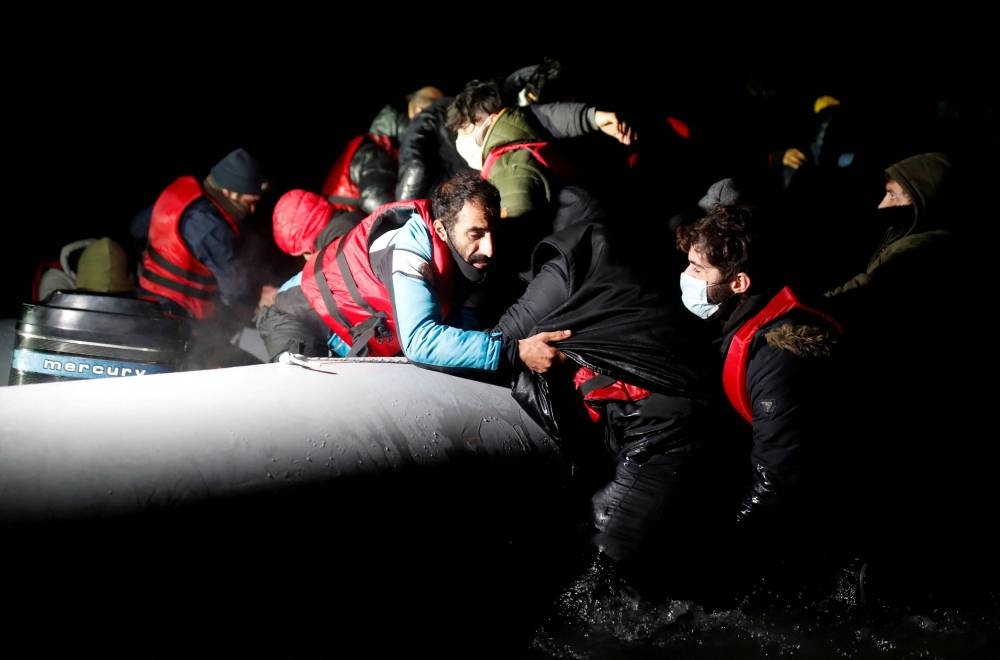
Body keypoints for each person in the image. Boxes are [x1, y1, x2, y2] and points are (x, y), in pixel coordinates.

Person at [492, 217, 725, 599]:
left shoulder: (568, 270)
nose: (486, 249)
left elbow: (501, 339)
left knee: (606, 563)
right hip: (664, 419)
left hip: (659, 430)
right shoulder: (631, 257)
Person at [675, 204, 852, 593]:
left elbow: (779, 476)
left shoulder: (779, 353)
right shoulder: (740, 320)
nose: (686, 277)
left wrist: (725, 557)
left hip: (827, 525)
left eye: (698, 270)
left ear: (739, 282)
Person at [256, 170, 566, 367]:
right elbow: (420, 341)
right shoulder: (410, 252)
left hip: (348, 327)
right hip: (296, 316)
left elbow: (464, 322)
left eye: (492, 232)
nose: (490, 248)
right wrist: (514, 352)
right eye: (476, 235)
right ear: (441, 230)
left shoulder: (460, 243)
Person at [135, 147, 271, 366]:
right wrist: (260, 295)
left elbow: (137, 227)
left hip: (147, 302)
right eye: (250, 202)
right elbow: (236, 289)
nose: (252, 210)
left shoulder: (183, 197)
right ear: (229, 192)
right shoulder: (210, 226)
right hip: (179, 318)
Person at [319, 86, 444, 215]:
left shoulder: (375, 144)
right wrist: (405, 220)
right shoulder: (374, 151)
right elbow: (375, 199)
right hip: (345, 220)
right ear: (416, 112)